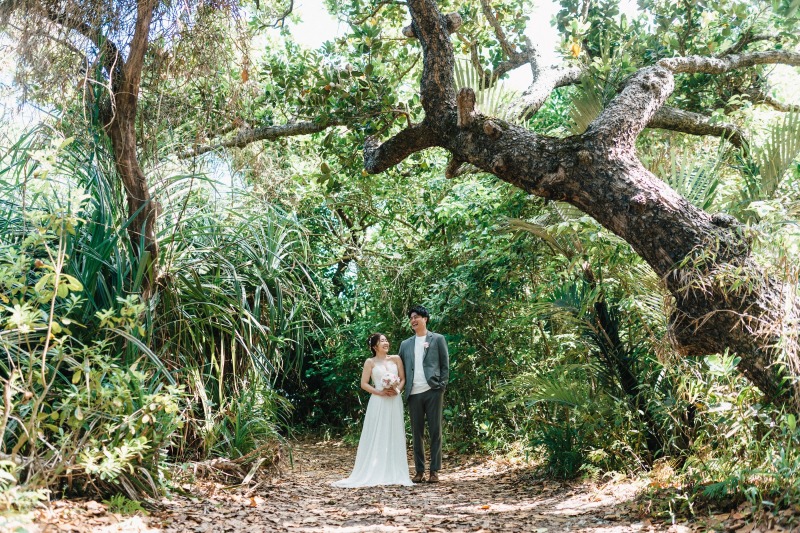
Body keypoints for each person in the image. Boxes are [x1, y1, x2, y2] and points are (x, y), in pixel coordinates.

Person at [332, 333, 413, 487]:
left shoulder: (396, 359)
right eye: (382, 341)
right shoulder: (370, 362)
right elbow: (364, 383)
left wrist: (396, 390)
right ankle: (375, 470)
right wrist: (380, 392)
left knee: (394, 431)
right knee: (378, 432)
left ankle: (394, 471)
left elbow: (403, 379)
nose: (386, 343)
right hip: (378, 400)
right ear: (375, 346)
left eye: (386, 340)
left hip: (394, 400)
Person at [399, 305, 449, 483]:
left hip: (433, 391)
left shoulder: (438, 339)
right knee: (416, 433)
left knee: (435, 431)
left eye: (416, 317)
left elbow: (445, 365)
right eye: (411, 318)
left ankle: (434, 471)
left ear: (425, 319)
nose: (413, 320)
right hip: (413, 393)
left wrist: (442, 385)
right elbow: (400, 368)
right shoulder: (405, 344)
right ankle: (419, 471)